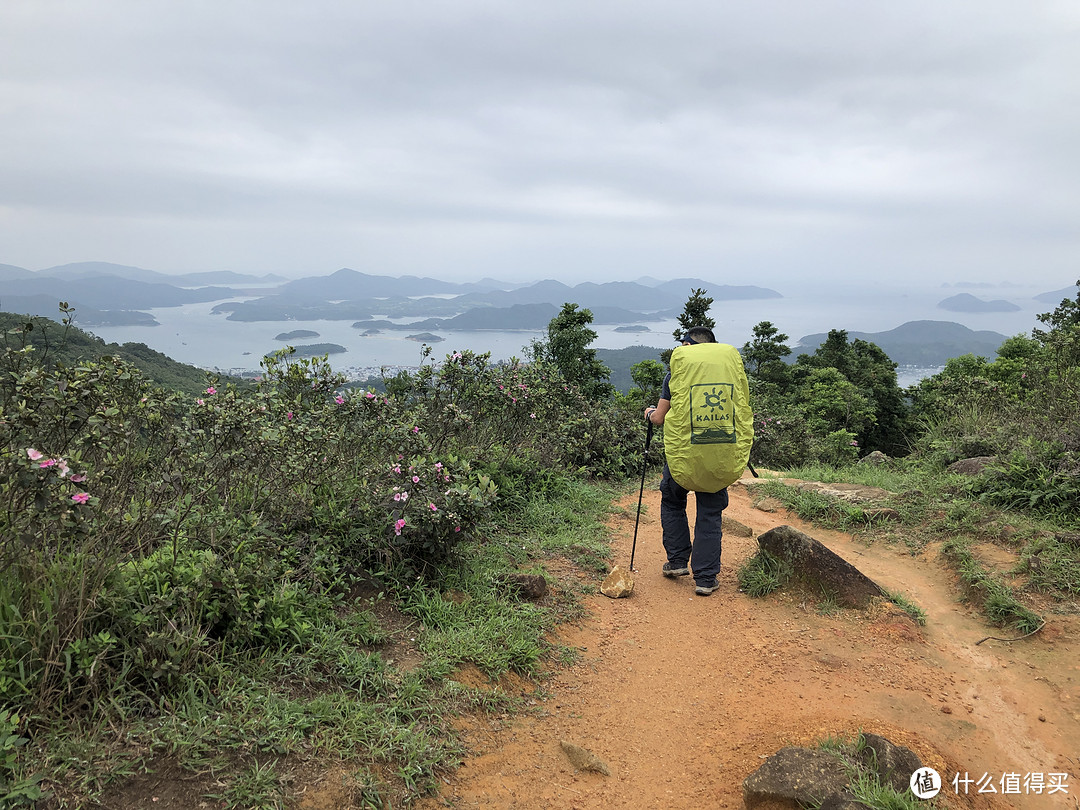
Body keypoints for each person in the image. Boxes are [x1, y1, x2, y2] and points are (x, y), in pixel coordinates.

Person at [644, 326, 730, 596]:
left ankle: (678, 562)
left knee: (672, 500)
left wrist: (648, 413)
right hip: (716, 455)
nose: (680, 347)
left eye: (684, 342)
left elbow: (659, 418)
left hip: (682, 455)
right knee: (710, 512)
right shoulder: (728, 374)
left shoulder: (675, 374)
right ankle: (705, 579)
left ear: (693, 346)